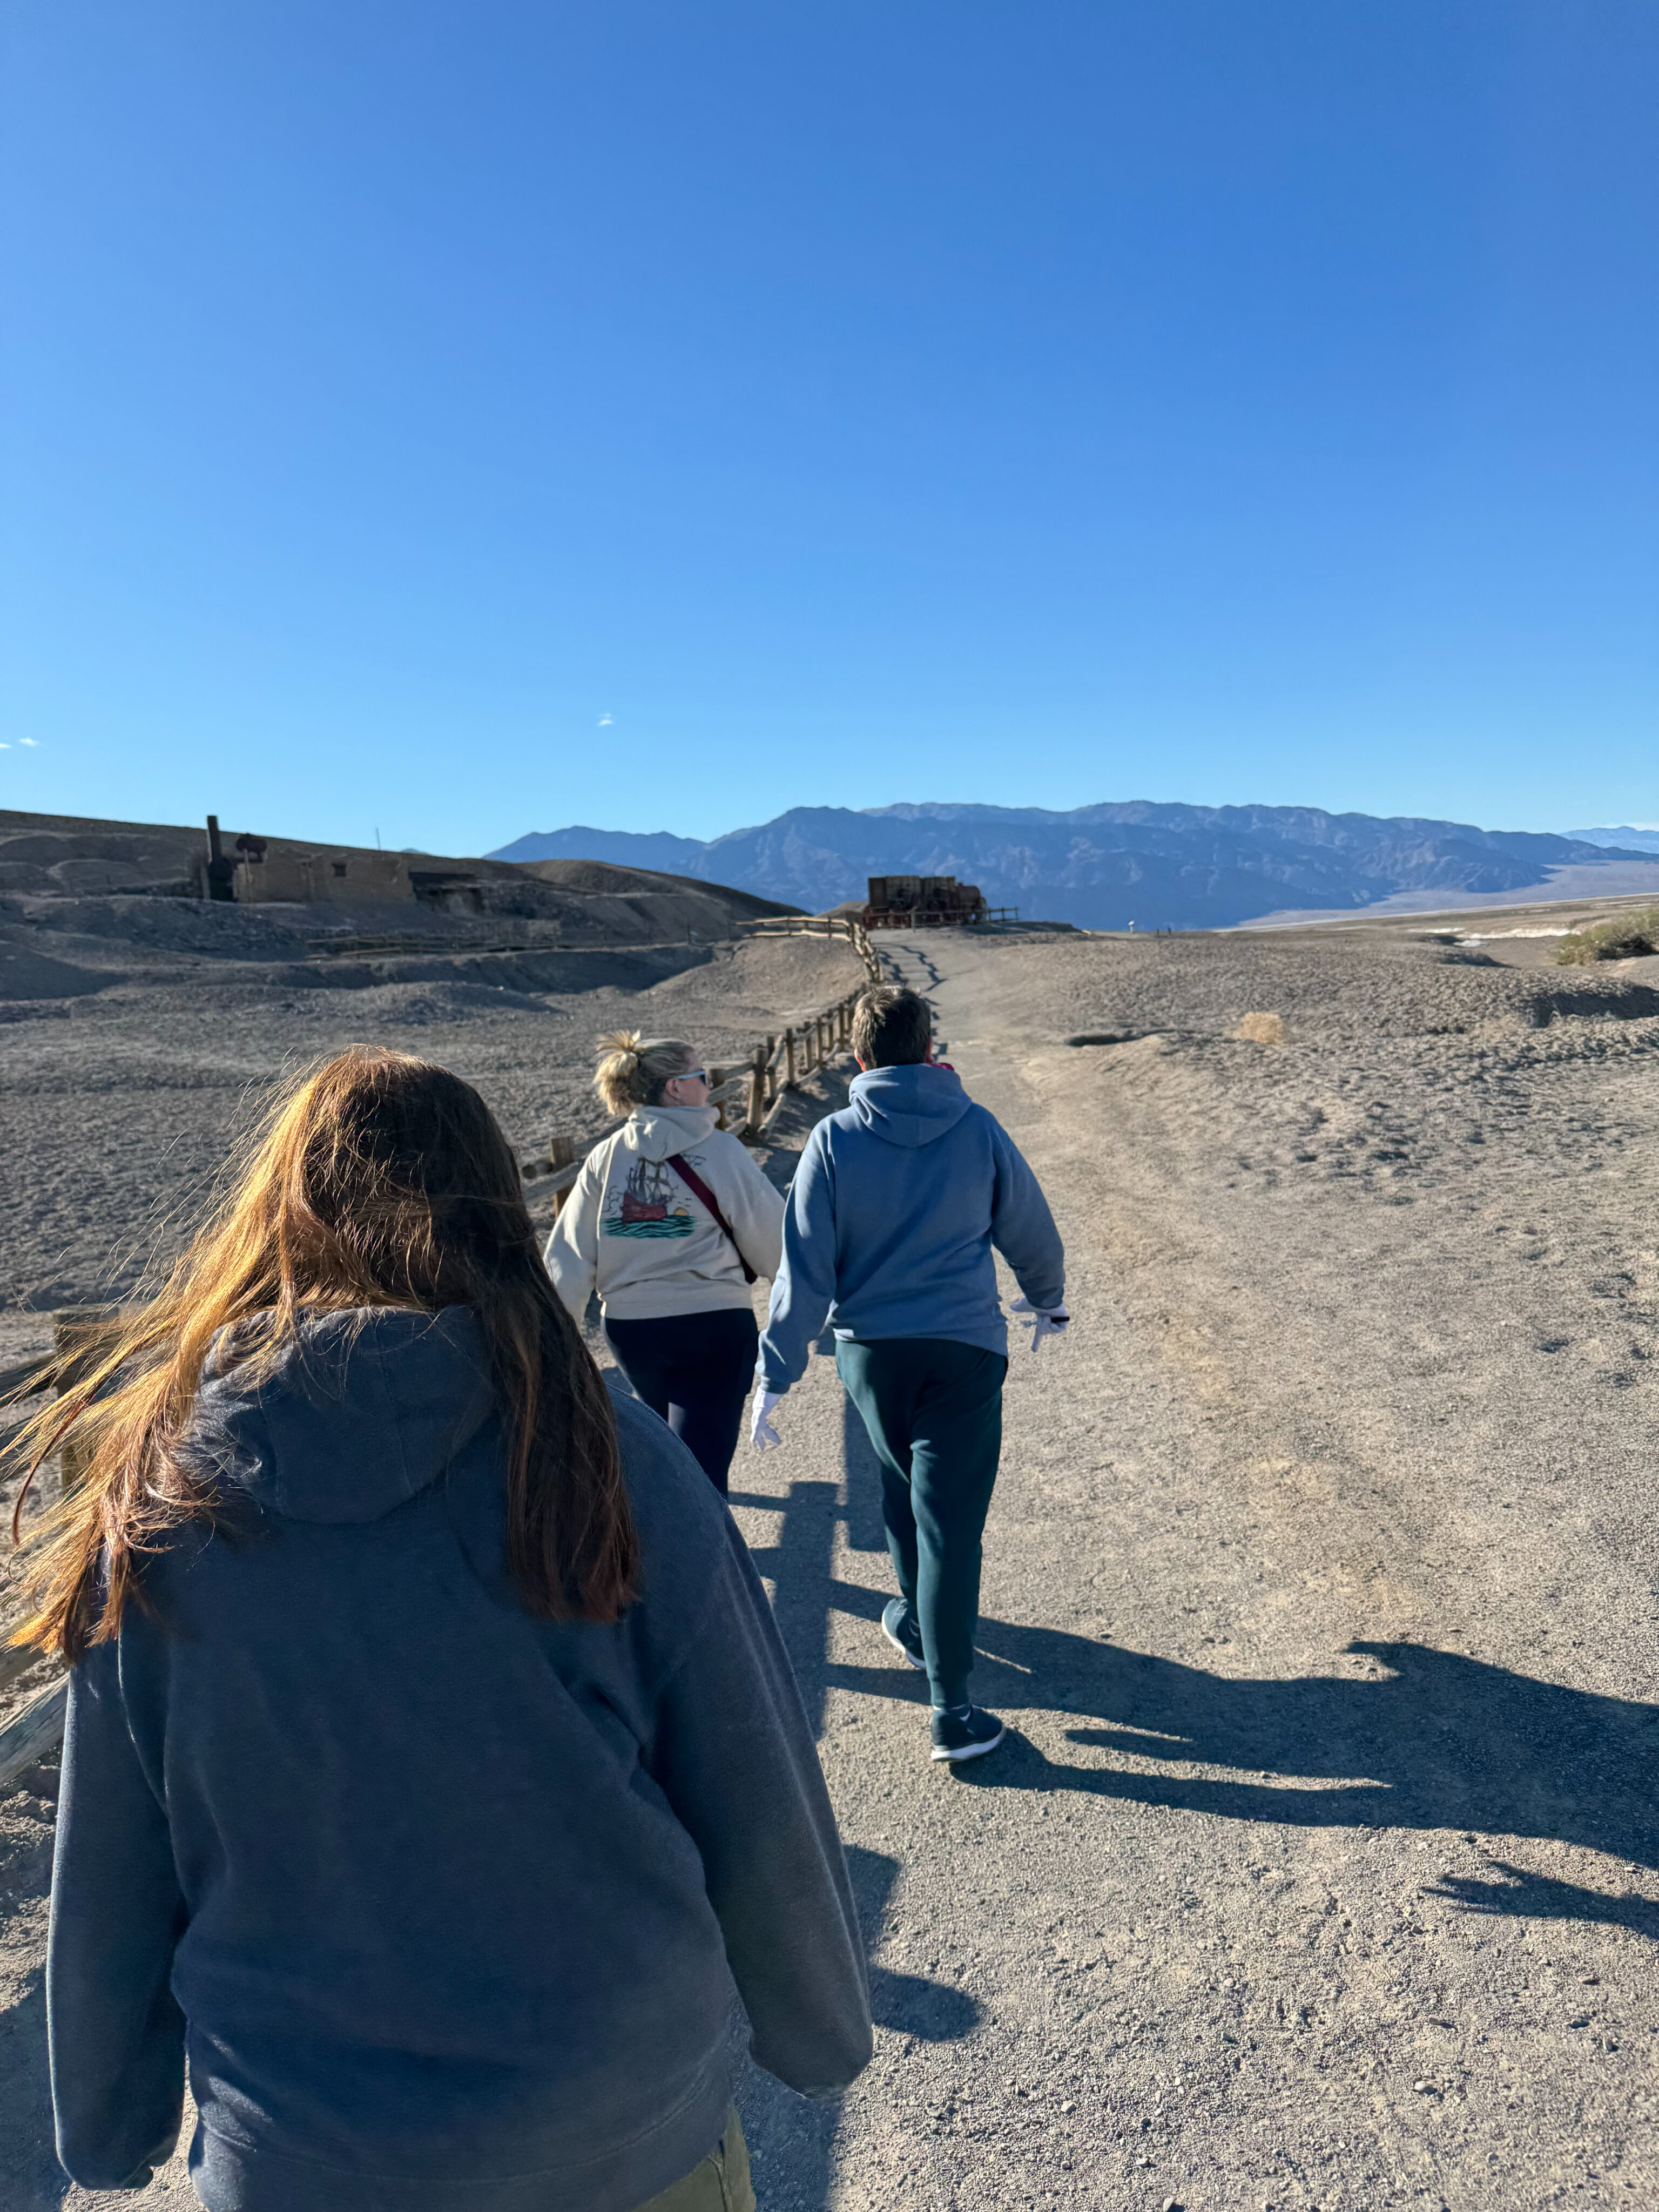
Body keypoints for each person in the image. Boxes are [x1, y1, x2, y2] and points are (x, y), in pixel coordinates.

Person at [11, 1047, 870, 2212]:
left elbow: (114, 1854)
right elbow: (752, 1775)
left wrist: (109, 2124)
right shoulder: (608, 1464)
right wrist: (816, 2030)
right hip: (619, 2128)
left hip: (307, 2151)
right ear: (495, 1206)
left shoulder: (169, 1502)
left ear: (284, 1215)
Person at [751, 986, 1068, 1765]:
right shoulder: (978, 1128)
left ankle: (921, 1629)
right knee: (950, 1526)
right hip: (963, 1350)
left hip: (872, 1356)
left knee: (899, 1490)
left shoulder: (831, 1139)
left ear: (859, 1057)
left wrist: (777, 1373)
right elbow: (1029, 1227)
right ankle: (953, 1713)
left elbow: (805, 1271)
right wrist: (1047, 1302)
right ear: (932, 1050)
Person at [547, 1031, 785, 1494]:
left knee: (666, 1455)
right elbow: (771, 1239)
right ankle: (699, 1558)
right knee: (702, 1466)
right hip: (714, 1323)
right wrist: (805, 1302)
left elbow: (570, 1254)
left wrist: (556, 1333)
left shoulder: (605, 1157)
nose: (709, 1086)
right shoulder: (721, 1151)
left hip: (636, 1332)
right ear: (675, 1087)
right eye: (702, 1076)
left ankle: (658, 1552)